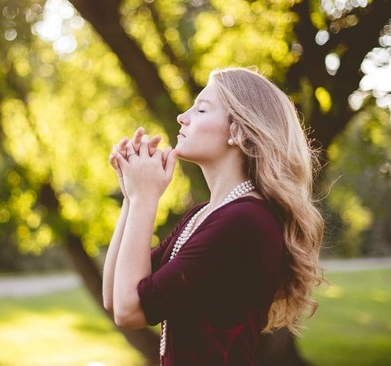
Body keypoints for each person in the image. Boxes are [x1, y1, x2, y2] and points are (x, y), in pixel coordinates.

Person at [103, 67, 324, 365]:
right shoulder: (205, 215)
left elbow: (131, 311)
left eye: (202, 109)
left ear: (238, 131)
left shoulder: (246, 221)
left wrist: (145, 197)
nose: (183, 116)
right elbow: (115, 298)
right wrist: (132, 195)